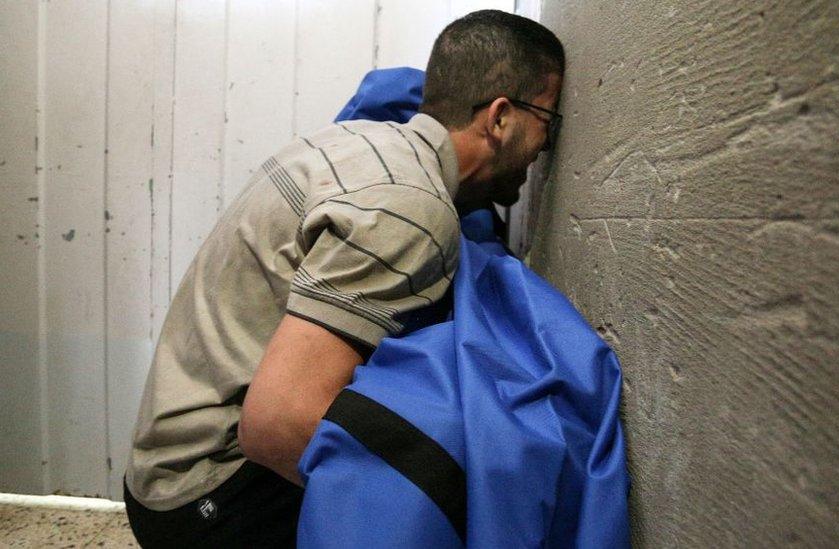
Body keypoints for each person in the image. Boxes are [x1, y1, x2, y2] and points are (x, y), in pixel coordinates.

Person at [122, 9, 564, 548]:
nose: (545, 148)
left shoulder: (355, 142)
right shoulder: (411, 208)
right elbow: (277, 425)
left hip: (158, 466)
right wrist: (471, 519)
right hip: (202, 495)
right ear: (500, 117)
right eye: (549, 121)